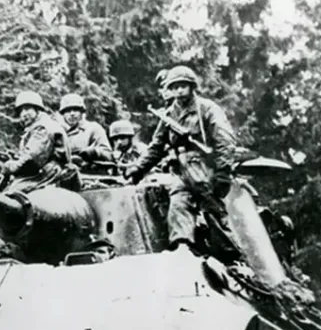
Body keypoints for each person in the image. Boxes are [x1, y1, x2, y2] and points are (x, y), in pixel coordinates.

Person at [124, 65, 239, 253]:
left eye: (183, 86)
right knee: (178, 205)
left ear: (192, 86)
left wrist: (223, 172)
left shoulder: (207, 109)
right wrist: (139, 167)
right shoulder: (169, 115)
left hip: (205, 168)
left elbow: (225, 141)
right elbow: (156, 146)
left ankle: (232, 254)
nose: (179, 90)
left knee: (213, 211)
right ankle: (182, 247)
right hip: (182, 168)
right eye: (174, 87)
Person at [1, 91, 80, 194]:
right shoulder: (38, 126)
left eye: (27, 109)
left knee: (9, 196)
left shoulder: (43, 128)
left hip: (46, 175)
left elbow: (32, 159)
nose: (23, 114)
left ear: (37, 109)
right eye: (21, 111)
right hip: (44, 172)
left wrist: (10, 166)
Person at [58, 94, 114, 173]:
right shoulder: (58, 132)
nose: (72, 114)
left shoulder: (93, 128)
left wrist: (93, 152)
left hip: (91, 174)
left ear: (81, 112)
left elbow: (109, 155)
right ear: (63, 114)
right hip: (65, 175)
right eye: (67, 111)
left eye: (75, 110)